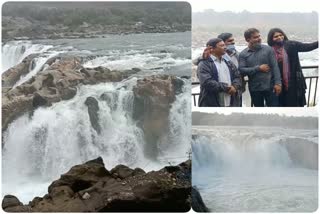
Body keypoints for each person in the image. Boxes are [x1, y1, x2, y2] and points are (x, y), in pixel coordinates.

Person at [267, 28, 319, 106]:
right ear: (271, 39)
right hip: (277, 83)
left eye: (281, 35)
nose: (279, 37)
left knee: (294, 104)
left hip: (293, 81)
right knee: (280, 105)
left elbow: (308, 47)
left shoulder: (291, 45)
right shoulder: (269, 50)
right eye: (276, 36)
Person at [239, 28, 282, 107]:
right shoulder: (243, 54)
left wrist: (278, 83)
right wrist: (258, 68)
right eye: (255, 37)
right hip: (255, 89)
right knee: (259, 112)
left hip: (270, 87)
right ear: (248, 39)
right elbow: (241, 70)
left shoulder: (268, 50)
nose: (259, 39)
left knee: (274, 111)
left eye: (259, 36)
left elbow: (275, 67)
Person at [197, 38, 241, 107]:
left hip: (231, 101)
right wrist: (227, 88)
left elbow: (237, 76)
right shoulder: (204, 64)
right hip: (212, 101)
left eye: (224, 45)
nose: (225, 47)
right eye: (222, 46)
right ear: (212, 48)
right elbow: (206, 82)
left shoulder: (228, 62)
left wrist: (235, 86)